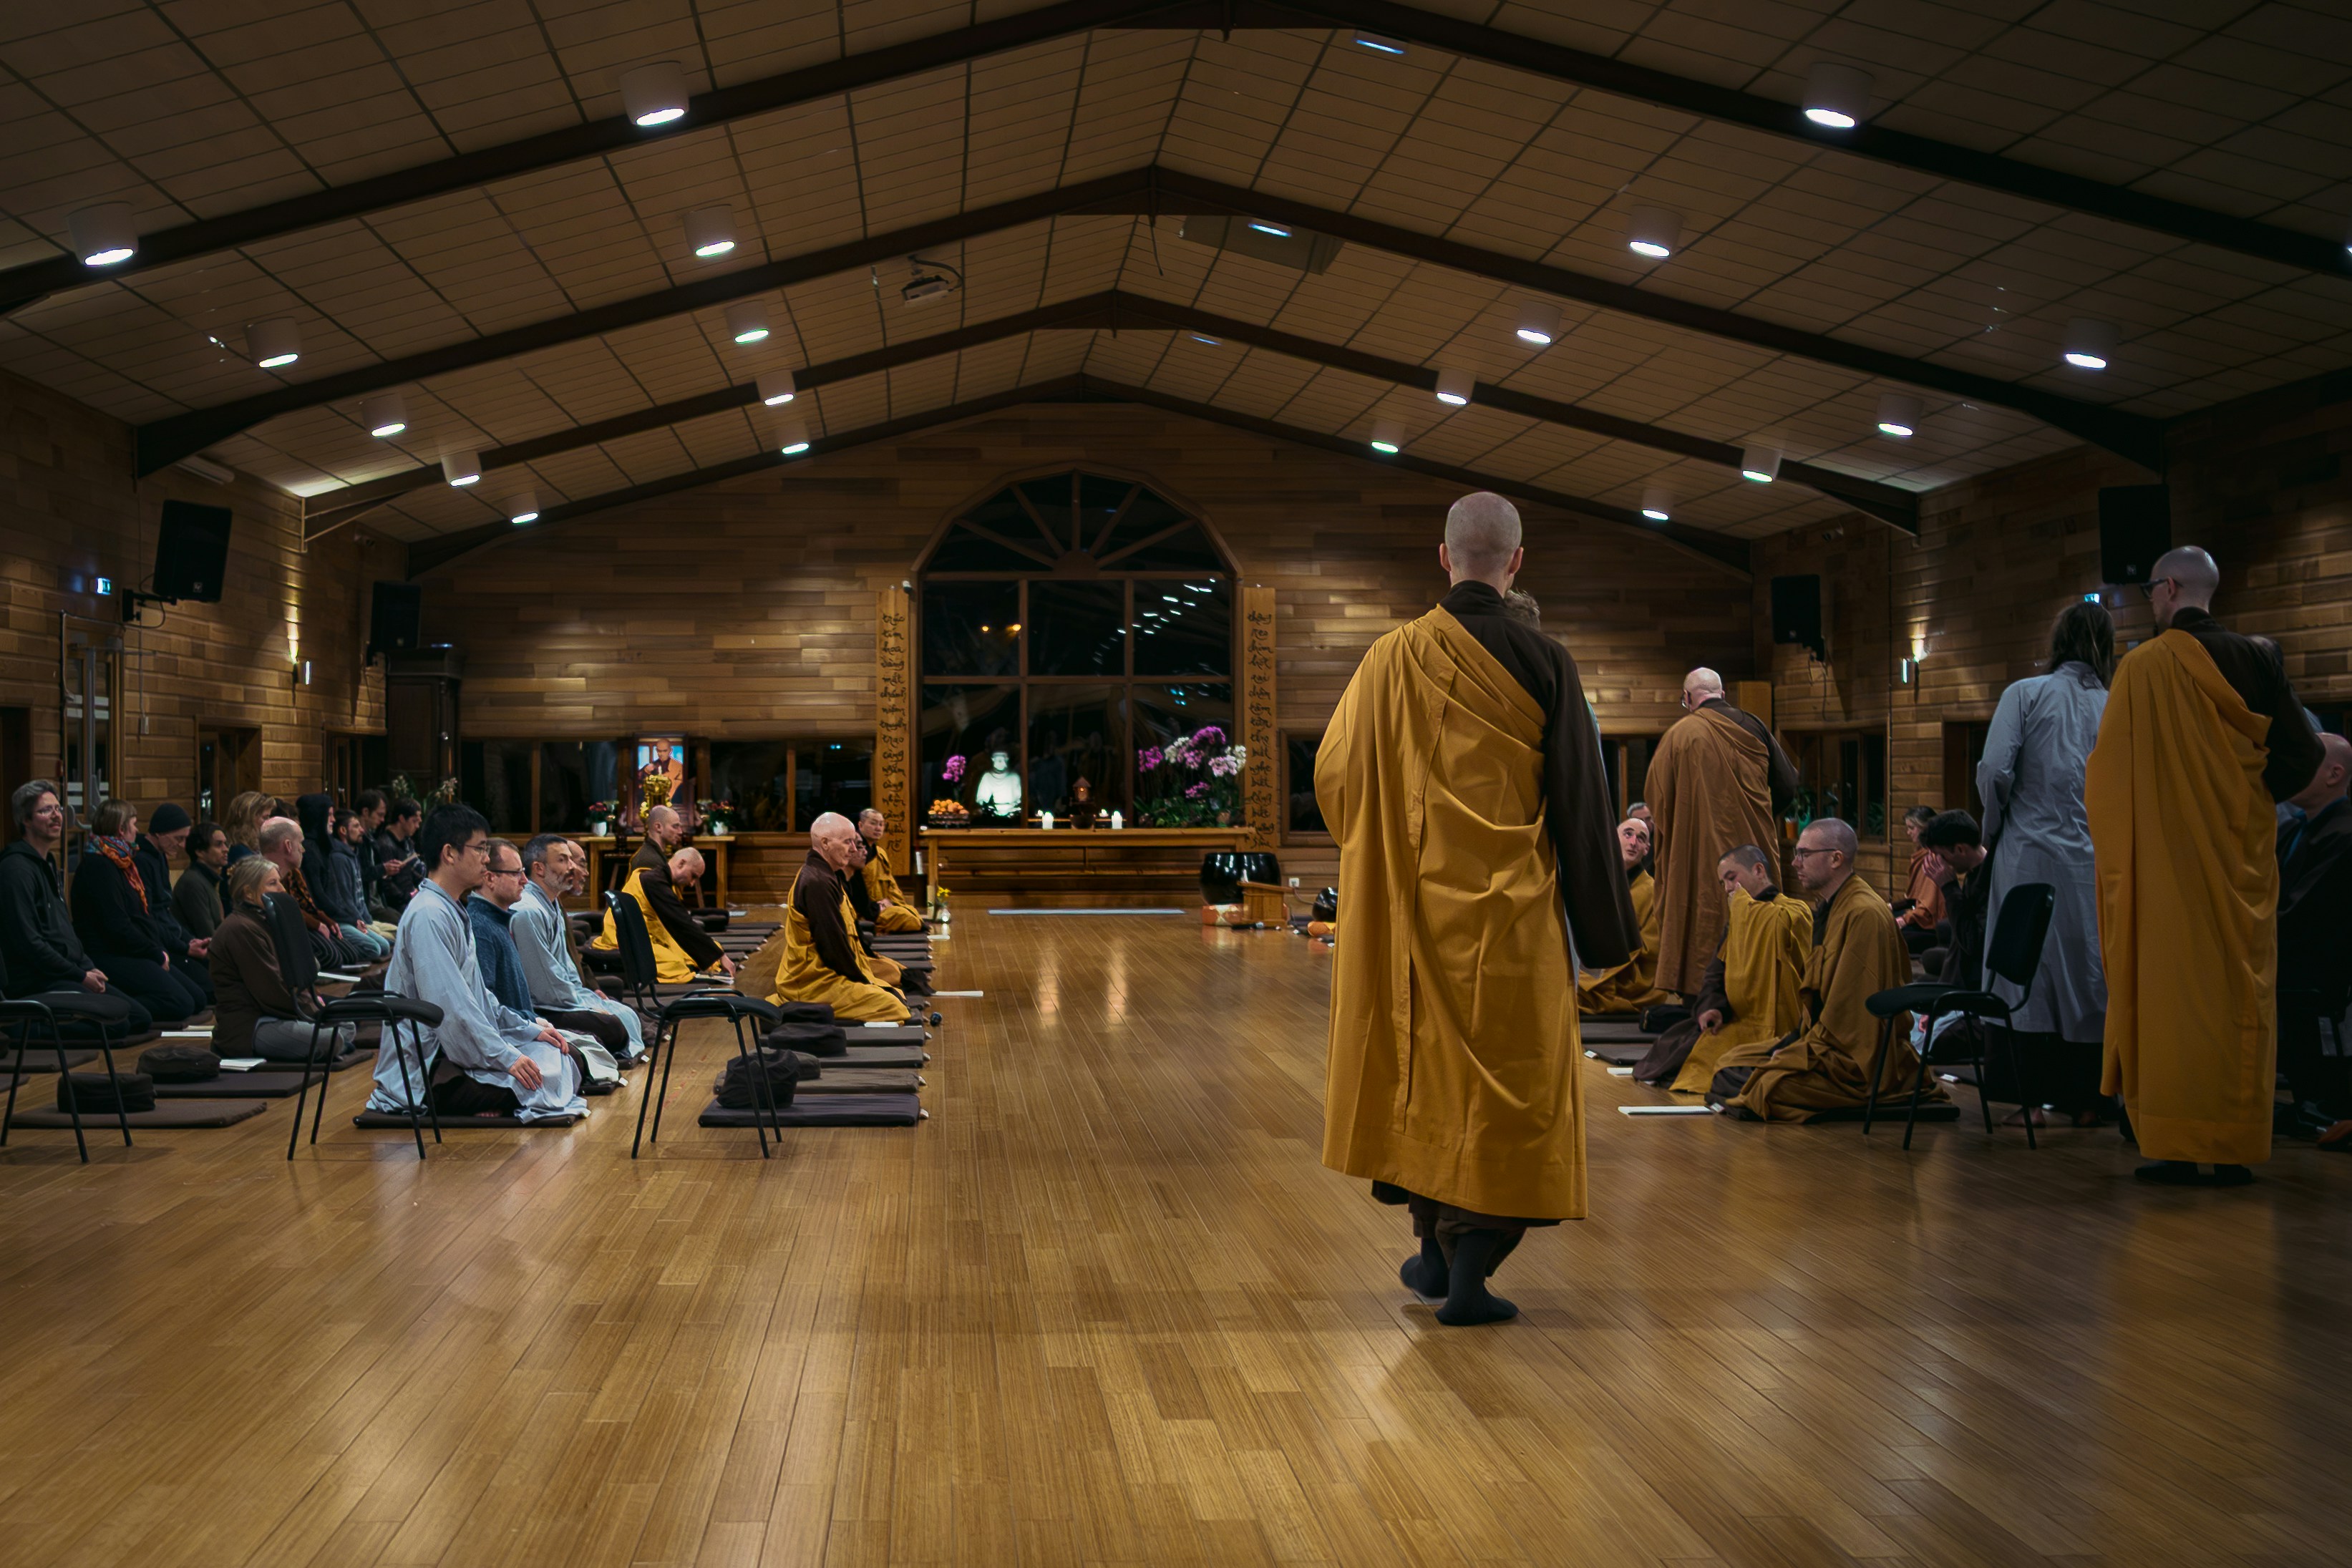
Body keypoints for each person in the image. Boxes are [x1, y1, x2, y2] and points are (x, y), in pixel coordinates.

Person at [1318, 492, 1635, 1327]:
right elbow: (1581, 800)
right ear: (1517, 562)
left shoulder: (1390, 658)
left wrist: (1391, 843)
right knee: (1510, 1095)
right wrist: (1604, 931)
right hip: (1512, 927)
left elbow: (1336, 777)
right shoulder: (1544, 660)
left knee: (1426, 1084)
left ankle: (1435, 1249)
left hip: (1412, 921)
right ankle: (1464, 1274)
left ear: (1443, 556)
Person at [2088, 545, 2324, 1186]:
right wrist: (2240, 795)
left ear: (2167, 589)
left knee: (2172, 998)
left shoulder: (2143, 669)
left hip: (2167, 862)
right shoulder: (2260, 657)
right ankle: (2234, 1143)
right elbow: (2305, 761)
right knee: (2236, 996)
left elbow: (2106, 779)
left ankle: (2176, 1142)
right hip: (2241, 852)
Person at [1974, 602, 2113, 1126]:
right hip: (2096, 855)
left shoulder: (2027, 693)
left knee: (2022, 968)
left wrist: (1993, 827)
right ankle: (2092, 1097)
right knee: (2090, 969)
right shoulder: (2115, 702)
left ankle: (2028, 1098)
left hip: (2029, 849)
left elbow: (1993, 768)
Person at [1709, 818, 1938, 1121]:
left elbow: (1854, 1014)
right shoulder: (1832, 906)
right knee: (1728, 1063)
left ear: (1835, 859)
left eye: (1804, 854)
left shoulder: (1864, 913)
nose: (1795, 862)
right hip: (1821, 1040)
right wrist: (1794, 1044)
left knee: (1767, 1086)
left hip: (1854, 1059)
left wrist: (1802, 1051)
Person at [366, 805, 584, 1121]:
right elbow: (451, 1008)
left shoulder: (453, 907)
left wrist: (525, 1028)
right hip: (430, 1066)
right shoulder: (429, 914)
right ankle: (463, 1099)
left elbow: (478, 997)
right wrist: (506, 1056)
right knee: (543, 1077)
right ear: (449, 853)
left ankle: (483, 1097)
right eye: (480, 848)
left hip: (458, 1049)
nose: (486, 857)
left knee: (563, 1056)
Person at [1646, 666, 1799, 997]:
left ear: (1687, 699)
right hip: (1753, 850)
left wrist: (1690, 821)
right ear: (1723, 695)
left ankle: (1698, 992)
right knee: (1757, 912)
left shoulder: (1680, 734)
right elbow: (1788, 785)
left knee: (1704, 911)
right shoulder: (1755, 726)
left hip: (1698, 852)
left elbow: (1657, 800)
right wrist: (1757, 815)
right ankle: (1762, 989)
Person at [1631, 845, 1813, 1092]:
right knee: (1675, 1045)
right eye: (1722, 883)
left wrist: (1743, 910)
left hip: (1779, 1023)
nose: (1727, 888)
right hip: (1739, 1018)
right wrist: (1712, 1007)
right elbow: (1716, 971)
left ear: (1758, 870)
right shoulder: (1739, 916)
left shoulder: (1794, 911)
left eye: (1732, 878)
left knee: (1721, 1067)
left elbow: (1787, 940)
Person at [0, 781, 155, 1033]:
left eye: (58, 808)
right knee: (118, 1025)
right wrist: (79, 975)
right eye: (45, 811)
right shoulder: (16, 870)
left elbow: (65, 932)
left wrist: (87, 966)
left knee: (138, 1017)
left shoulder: (47, 863)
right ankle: (23, 1028)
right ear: (25, 821)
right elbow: (29, 943)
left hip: (68, 972)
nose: (56, 816)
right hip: (40, 980)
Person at [68, 800, 211, 1023]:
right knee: (180, 1003)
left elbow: (142, 918)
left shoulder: (124, 864)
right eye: (134, 825)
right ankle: (112, 1009)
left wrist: (158, 949)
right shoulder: (100, 866)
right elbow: (117, 927)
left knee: (197, 998)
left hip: (134, 949)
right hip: (109, 953)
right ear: (121, 829)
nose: (137, 831)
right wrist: (154, 952)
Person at [2276, 733, 2352, 1149]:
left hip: (2316, 970)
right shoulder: (2292, 831)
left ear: (2334, 773)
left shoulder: (2344, 834)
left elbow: (2301, 915)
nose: (2292, 772)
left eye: (2304, 762)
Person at [511, 834, 646, 1064]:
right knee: (614, 1026)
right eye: (564, 860)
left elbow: (567, 966)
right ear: (539, 868)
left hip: (563, 995)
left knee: (626, 1015)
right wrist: (582, 1002)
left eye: (571, 860)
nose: (572, 867)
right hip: (542, 1006)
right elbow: (544, 982)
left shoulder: (551, 904)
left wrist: (587, 995)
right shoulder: (528, 912)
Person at [208, 857, 354, 1062]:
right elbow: (271, 990)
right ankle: (331, 1046)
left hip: (277, 1012)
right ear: (249, 892)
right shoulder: (241, 929)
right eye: (273, 883)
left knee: (346, 1023)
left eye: (280, 882)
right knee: (331, 1039)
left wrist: (314, 1004)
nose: (282, 890)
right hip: (250, 1024)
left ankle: (329, 1045)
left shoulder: (264, 920)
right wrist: (312, 1009)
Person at [772, 813, 912, 1023]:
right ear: (826, 843)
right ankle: (794, 1007)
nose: (854, 849)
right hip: (811, 982)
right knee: (894, 1007)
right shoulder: (817, 882)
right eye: (848, 842)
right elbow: (832, 947)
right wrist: (863, 982)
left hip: (827, 972)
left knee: (893, 992)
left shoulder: (826, 875)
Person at [592, 842, 732, 981]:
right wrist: (720, 955)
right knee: (674, 965)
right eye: (693, 876)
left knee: (698, 952)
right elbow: (682, 923)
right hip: (625, 937)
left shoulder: (659, 879)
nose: (691, 883)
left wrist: (715, 953)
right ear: (681, 863)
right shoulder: (654, 881)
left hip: (645, 934)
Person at [1577, 817, 1669, 1015]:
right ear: (1613, 838)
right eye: (1628, 834)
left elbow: (1652, 950)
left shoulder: (1653, 891)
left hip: (1627, 978)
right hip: (1591, 967)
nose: (1633, 842)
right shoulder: (1595, 881)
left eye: (1641, 838)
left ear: (1646, 849)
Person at [258, 817, 369, 971]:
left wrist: (324, 920)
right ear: (288, 846)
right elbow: (285, 912)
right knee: (331, 955)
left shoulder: (293, 873)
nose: (303, 849)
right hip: (285, 934)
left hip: (304, 923)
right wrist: (316, 924)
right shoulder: (261, 877)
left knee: (349, 953)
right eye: (300, 843)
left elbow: (306, 906)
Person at [298, 794, 391, 962]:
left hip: (342, 916)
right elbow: (320, 897)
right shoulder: (311, 851)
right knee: (374, 948)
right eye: (329, 815)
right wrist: (352, 919)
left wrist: (355, 919)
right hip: (331, 919)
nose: (333, 820)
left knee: (384, 946)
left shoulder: (325, 848)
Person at [132, 802, 213, 986]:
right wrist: (185, 947)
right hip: (160, 943)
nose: (183, 845)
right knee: (206, 988)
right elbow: (151, 915)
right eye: (178, 839)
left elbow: (165, 911)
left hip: (173, 937)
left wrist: (190, 940)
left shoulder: (160, 856)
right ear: (160, 833)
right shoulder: (143, 861)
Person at [1916, 811, 1989, 988]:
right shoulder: (1974, 874)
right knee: (1930, 960)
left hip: (1980, 971)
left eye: (1941, 856)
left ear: (1960, 849)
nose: (1940, 863)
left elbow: (1974, 943)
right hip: (1963, 961)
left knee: (1925, 977)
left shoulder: (1989, 879)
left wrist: (1949, 887)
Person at [855, 809, 926, 932]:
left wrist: (892, 902)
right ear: (860, 825)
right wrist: (877, 907)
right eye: (873, 823)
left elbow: (891, 885)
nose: (878, 828)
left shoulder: (879, 853)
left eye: (881, 824)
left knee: (912, 912)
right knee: (910, 920)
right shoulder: (856, 854)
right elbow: (856, 891)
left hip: (882, 905)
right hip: (866, 909)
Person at [1896, 806, 1943, 954]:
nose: (1908, 833)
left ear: (1924, 828)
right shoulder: (1920, 855)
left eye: (1912, 828)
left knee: (1893, 934)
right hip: (1917, 916)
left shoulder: (1934, 858)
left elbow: (1927, 908)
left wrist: (1904, 920)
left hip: (1931, 926)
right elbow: (1913, 899)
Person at [173, 821, 230, 940]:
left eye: (226, 844)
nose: (226, 849)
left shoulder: (207, 879)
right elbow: (207, 934)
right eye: (219, 844)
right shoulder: (192, 883)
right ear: (200, 852)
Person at [372, 798, 424, 911]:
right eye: (414, 821)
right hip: (399, 904)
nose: (417, 826)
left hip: (411, 898)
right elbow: (386, 884)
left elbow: (415, 873)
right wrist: (408, 897)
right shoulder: (385, 845)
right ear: (401, 819)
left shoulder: (407, 842)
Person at [221, 789, 271, 865]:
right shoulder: (240, 851)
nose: (269, 822)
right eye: (265, 817)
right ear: (250, 818)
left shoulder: (253, 845)